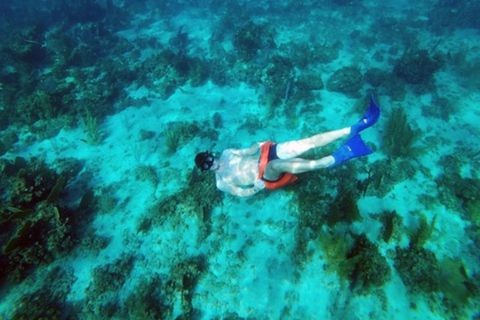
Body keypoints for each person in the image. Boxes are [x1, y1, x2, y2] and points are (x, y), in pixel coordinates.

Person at [195, 94, 381, 197]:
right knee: (274, 165)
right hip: (266, 174)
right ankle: (330, 160)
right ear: (205, 170)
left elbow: (247, 151)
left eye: (209, 159)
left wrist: (257, 145)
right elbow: (239, 193)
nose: (211, 164)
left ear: (211, 155)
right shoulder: (221, 182)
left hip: (266, 155)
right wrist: (255, 188)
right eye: (206, 166)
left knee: (305, 143)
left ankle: (354, 127)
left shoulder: (227, 153)